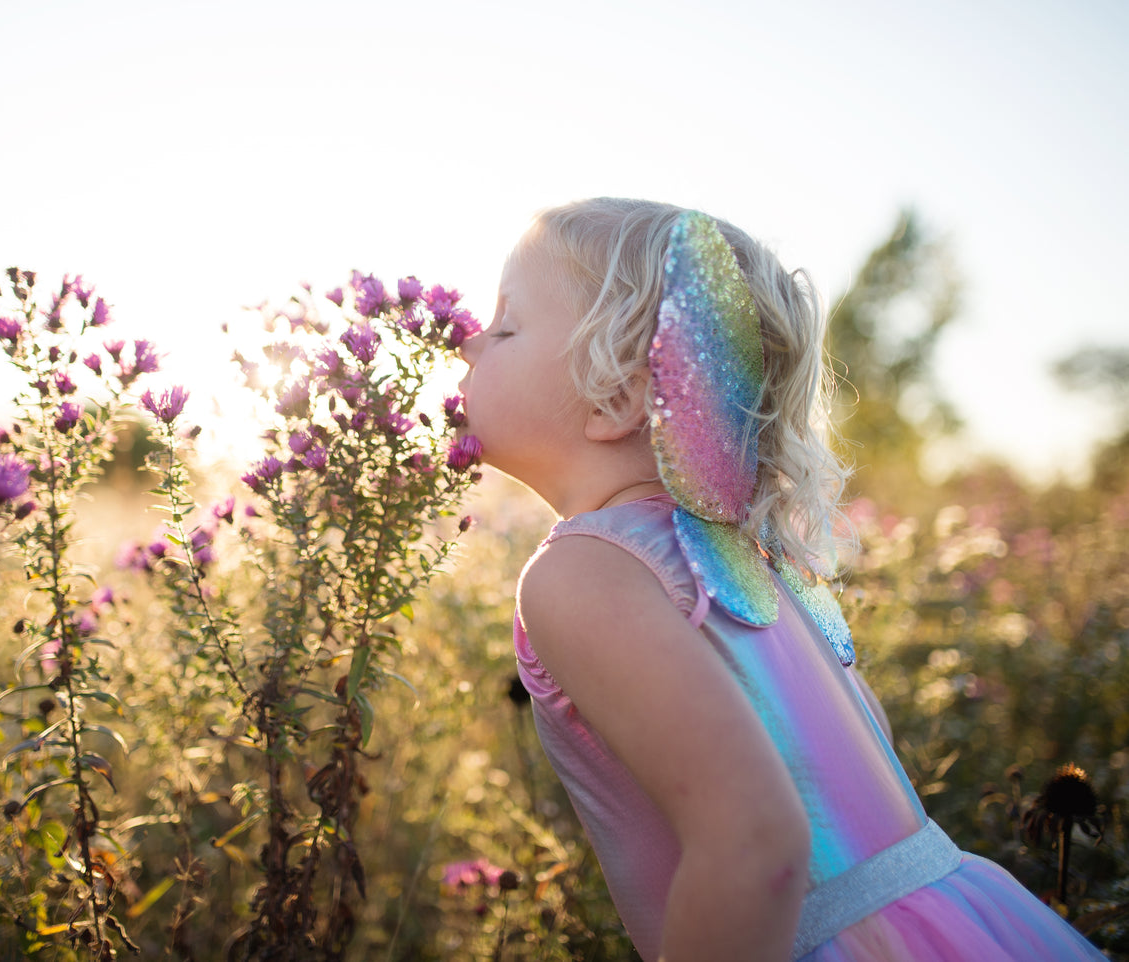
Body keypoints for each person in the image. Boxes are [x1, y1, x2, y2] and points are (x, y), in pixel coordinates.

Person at [456, 198, 1106, 961]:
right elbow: (862, 756)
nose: (467, 341)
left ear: (616, 398)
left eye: (504, 326)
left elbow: (756, 841)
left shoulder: (582, 573)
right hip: (954, 921)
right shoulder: (741, 561)